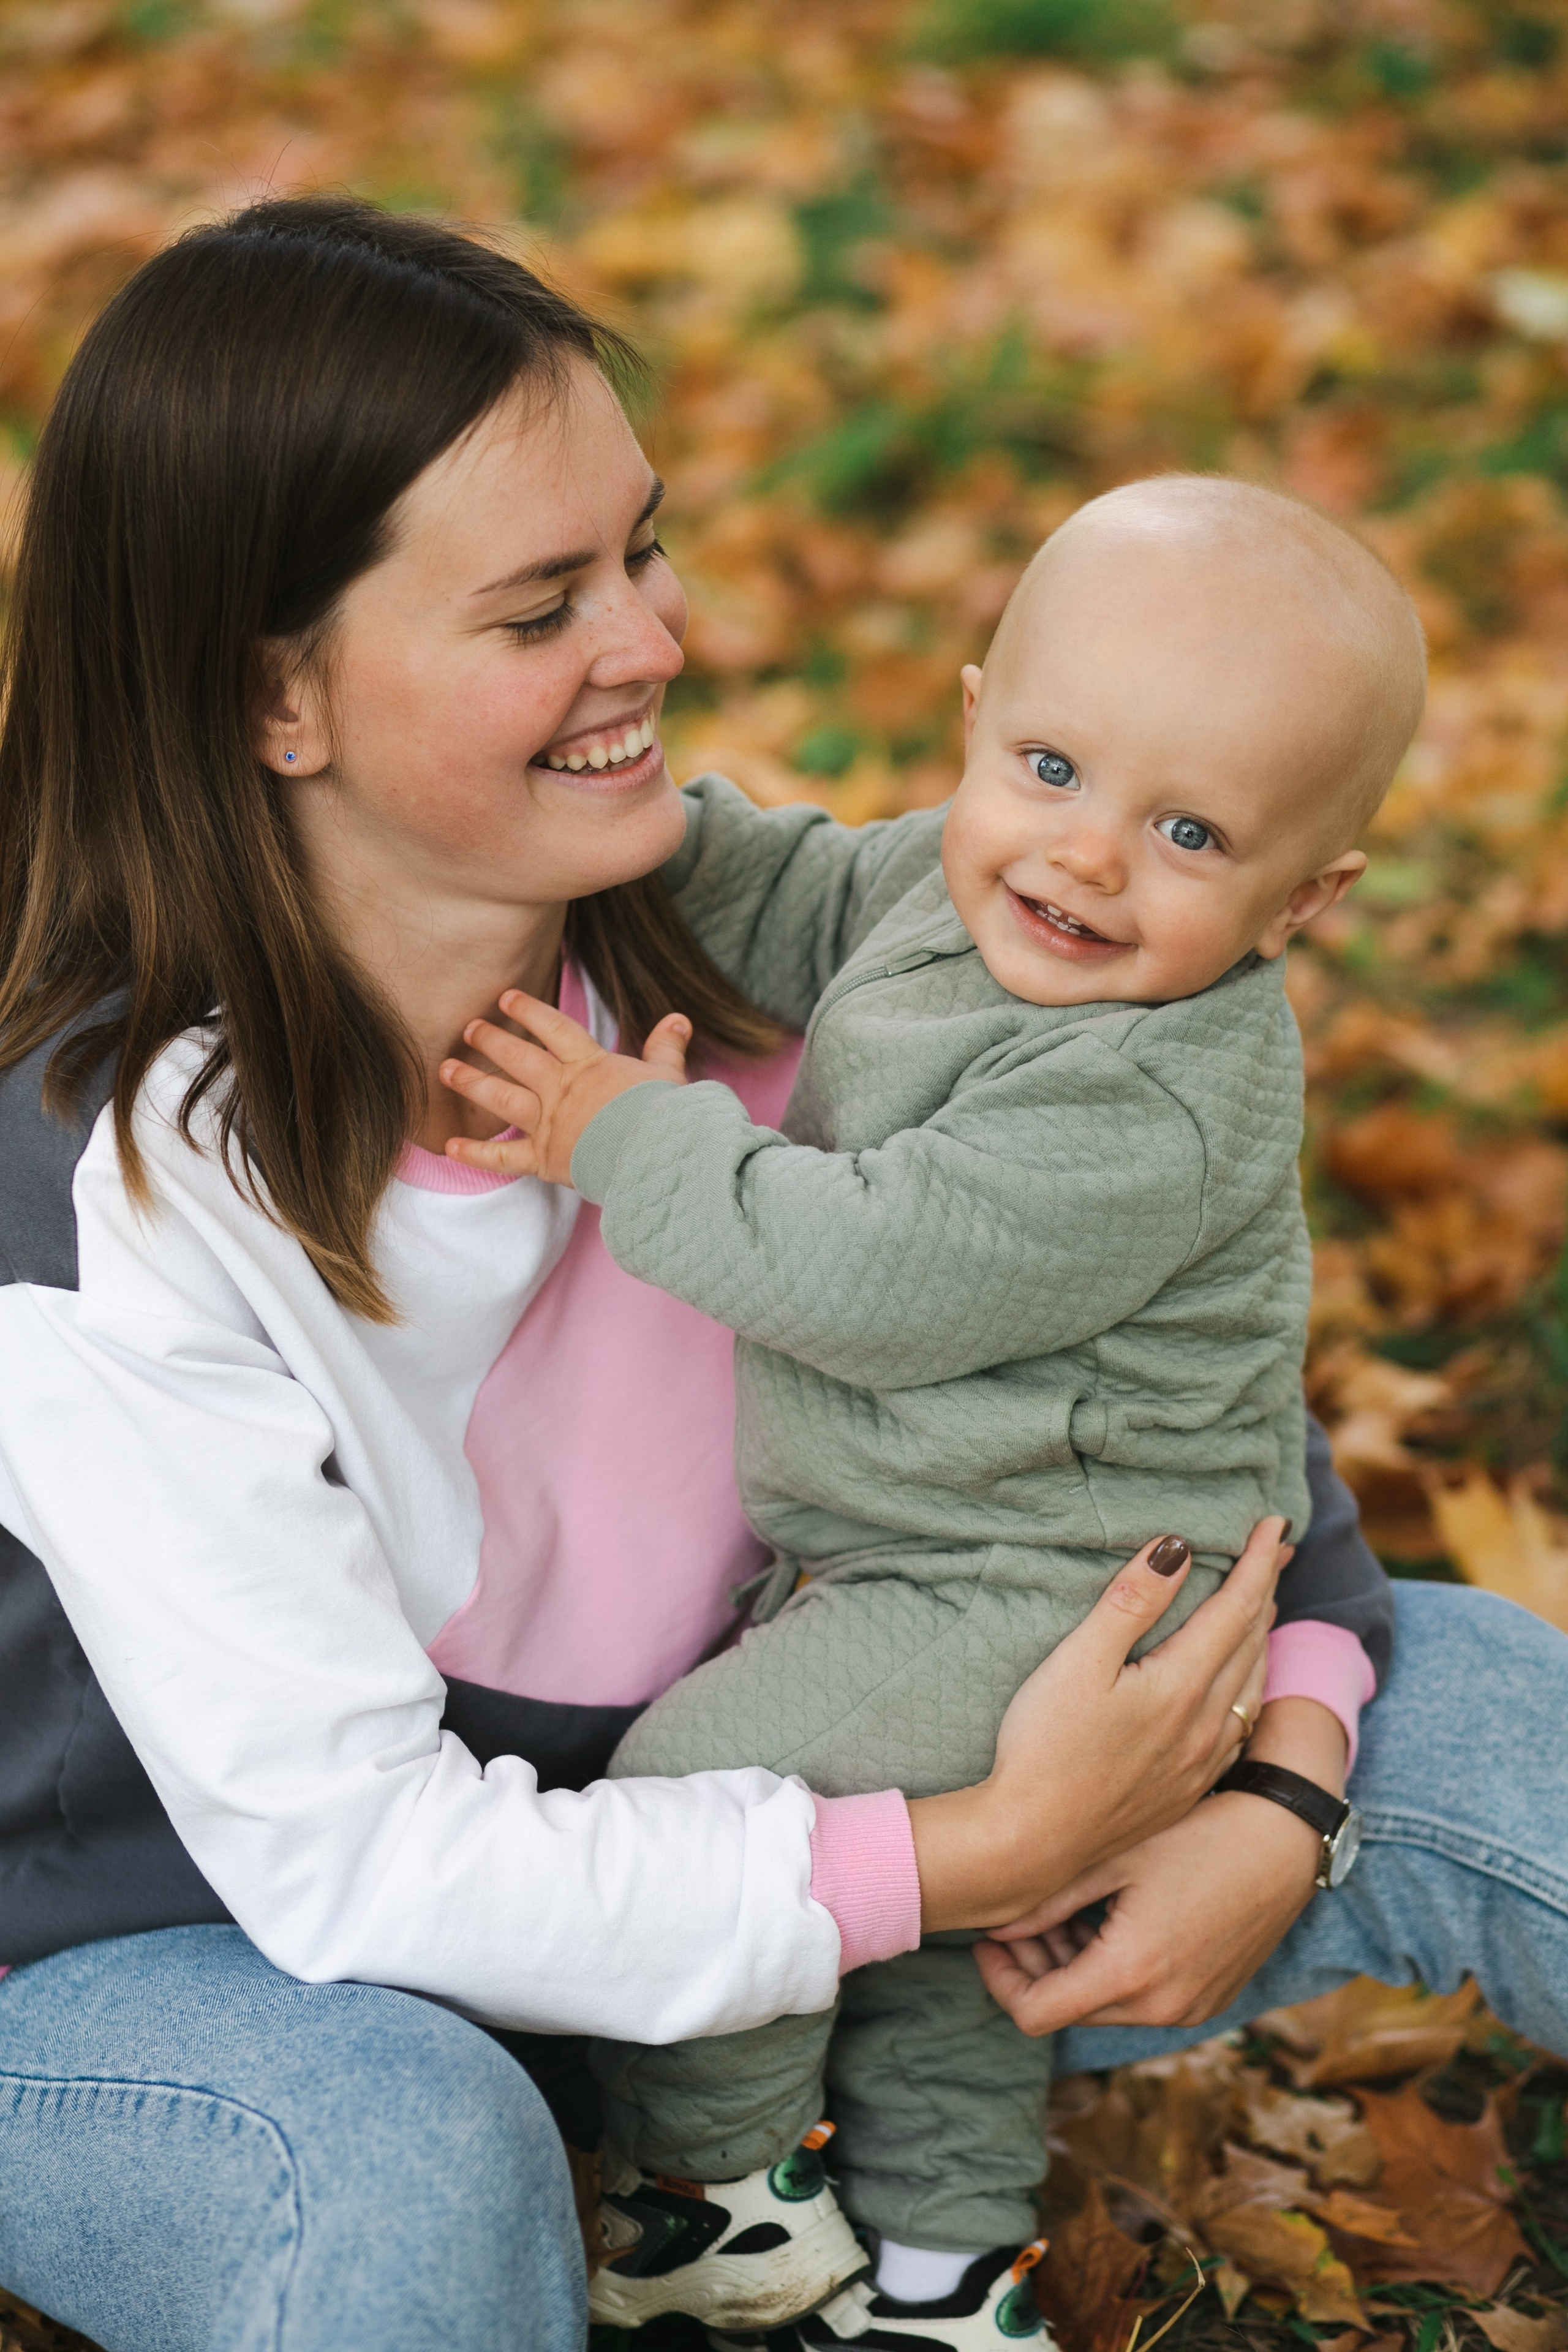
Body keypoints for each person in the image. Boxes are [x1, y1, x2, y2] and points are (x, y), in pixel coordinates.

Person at [0, 198, 1563, 2352]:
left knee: (1484, 1722)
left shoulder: (779, 942)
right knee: (397, 2138)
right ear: (278, 697)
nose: (656, 636)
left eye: (640, 549)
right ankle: (659, 2210)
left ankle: (798, 2204)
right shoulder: (114, 1210)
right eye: (545, 604)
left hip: (815, 1840)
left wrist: (1282, 1784)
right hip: (207, 1963)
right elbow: (360, 1868)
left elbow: (1169, 1390)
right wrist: (970, 1855)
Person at [432, 477, 1425, 2347]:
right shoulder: (944, 883)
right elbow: (774, 883)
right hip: (954, 1560)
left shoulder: (1155, 1093)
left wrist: (619, 1134)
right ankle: (948, 2273)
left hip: (1048, 1592)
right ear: (975, 725)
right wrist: (604, 812)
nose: (1090, 859)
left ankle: (709, 2202)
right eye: (1051, 767)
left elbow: (878, 1274)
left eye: (1191, 831)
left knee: (703, 1798)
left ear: (1305, 901)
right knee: (946, 1942)